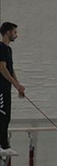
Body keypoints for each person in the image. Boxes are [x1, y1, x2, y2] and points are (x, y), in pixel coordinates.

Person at [0, 22, 25, 155]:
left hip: (6, 88)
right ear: (8, 32)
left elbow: (10, 68)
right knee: (2, 115)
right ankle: (2, 144)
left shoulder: (8, 50)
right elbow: (2, 69)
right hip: (0, 88)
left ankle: (4, 144)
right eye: (14, 32)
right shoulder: (0, 47)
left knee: (6, 116)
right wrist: (16, 84)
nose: (16, 35)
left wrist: (18, 86)